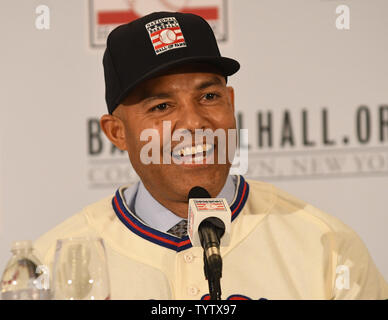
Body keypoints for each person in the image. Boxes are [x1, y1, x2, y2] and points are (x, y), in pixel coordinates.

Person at [34, 11, 388, 300]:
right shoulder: (52, 265)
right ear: (117, 132)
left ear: (230, 104)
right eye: (161, 105)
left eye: (209, 97)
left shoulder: (327, 247)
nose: (193, 122)